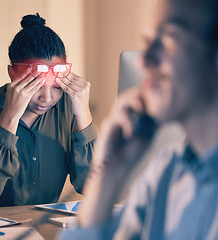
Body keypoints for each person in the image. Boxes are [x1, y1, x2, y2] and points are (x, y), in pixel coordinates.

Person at [59, 0, 218, 239]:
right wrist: (107, 177)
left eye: (168, 37)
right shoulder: (165, 172)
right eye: (146, 43)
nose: (144, 61)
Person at [0, 13, 97, 210]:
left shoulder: (69, 109)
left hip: (39, 230)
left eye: (57, 86)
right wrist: (10, 116)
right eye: (36, 85)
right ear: (12, 74)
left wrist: (84, 115)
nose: (47, 98)